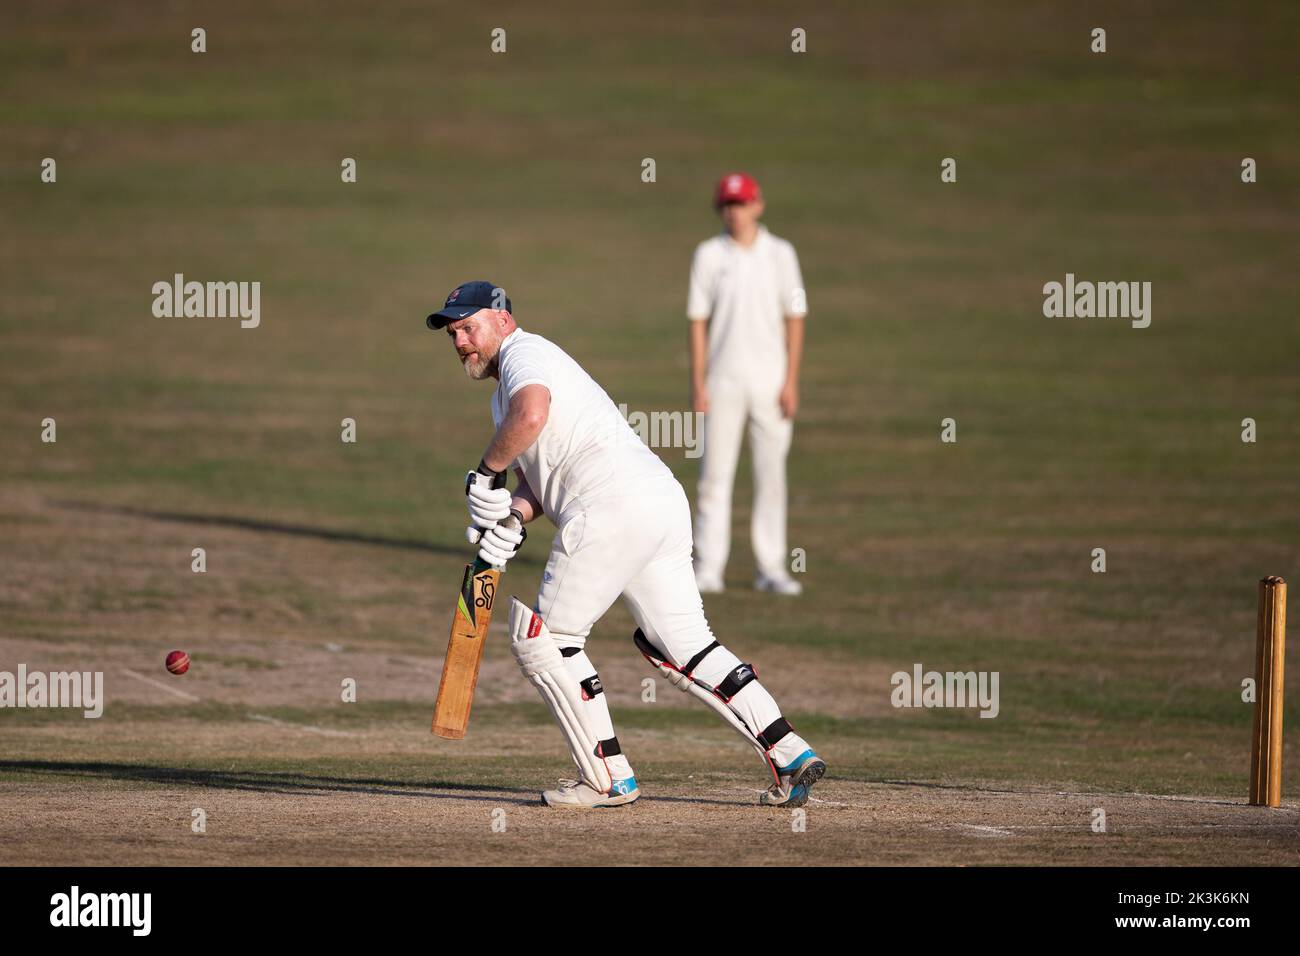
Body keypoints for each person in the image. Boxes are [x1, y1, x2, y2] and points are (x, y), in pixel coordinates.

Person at [426, 280, 826, 809]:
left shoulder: (525, 356)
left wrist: (484, 473)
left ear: (502, 320)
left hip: (609, 508)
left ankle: (608, 777)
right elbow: (543, 475)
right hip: (656, 503)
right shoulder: (514, 384)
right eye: (453, 333)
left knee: (544, 639)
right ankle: (790, 751)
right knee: (684, 647)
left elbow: (533, 416)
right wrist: (514, 521)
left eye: (468, 328)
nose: (460, 343)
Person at [687, 172, 807, 595]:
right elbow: (698, 321)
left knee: (770, 475)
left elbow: (795, 318)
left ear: (758, 205)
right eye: (727, 205)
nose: (734, 213)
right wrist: (698, 383)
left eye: (740, 204)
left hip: (771, 382)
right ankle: (708, 567)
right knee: (714, 478)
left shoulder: (781, 254)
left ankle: (771, 566)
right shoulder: (708, 255)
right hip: (723, 381)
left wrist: (791, 381)